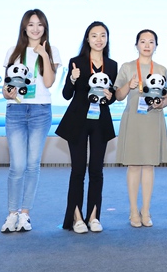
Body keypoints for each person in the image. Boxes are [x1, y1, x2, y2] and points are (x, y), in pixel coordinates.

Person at [1, 9, 61, 233]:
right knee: (17, 166)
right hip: (16, 110)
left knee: (33, 164)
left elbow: (49, 82)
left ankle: (25, 214)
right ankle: (12, 214)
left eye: (40, 24)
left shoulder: (52, 51)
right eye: (31, 24)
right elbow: (6, 87)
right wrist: (8, 92)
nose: (35, 29)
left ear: (45, 28)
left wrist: (43, 54)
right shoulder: (13, 51)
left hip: (40, 111)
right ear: (24, 28)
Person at [55, 21, 117, 234]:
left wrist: (110, 96)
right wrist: (72, 79)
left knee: (97, 170)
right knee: (78, 171)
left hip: (100, 122)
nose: (99, 39)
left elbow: (111, 97)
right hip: (78, 121)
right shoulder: (76, 62)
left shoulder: (112, 65)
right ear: (87, 39)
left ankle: (93, 216)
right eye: (94, 35)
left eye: (103, 35)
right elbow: (66, 95)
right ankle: (77, 217)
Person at [114, 29, 167, 228]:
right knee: (133, 166)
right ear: (136, 44)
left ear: (156, 45)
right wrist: (129, 85)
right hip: (133, 120)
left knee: (149, 166)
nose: (147, 45)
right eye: (143, 41)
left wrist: (161, 104)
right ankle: (133, 211)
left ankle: (146, 211)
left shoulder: (161, 69)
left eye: (151, 41)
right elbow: (118, 96)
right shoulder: (127, 67)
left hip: (153, 119)